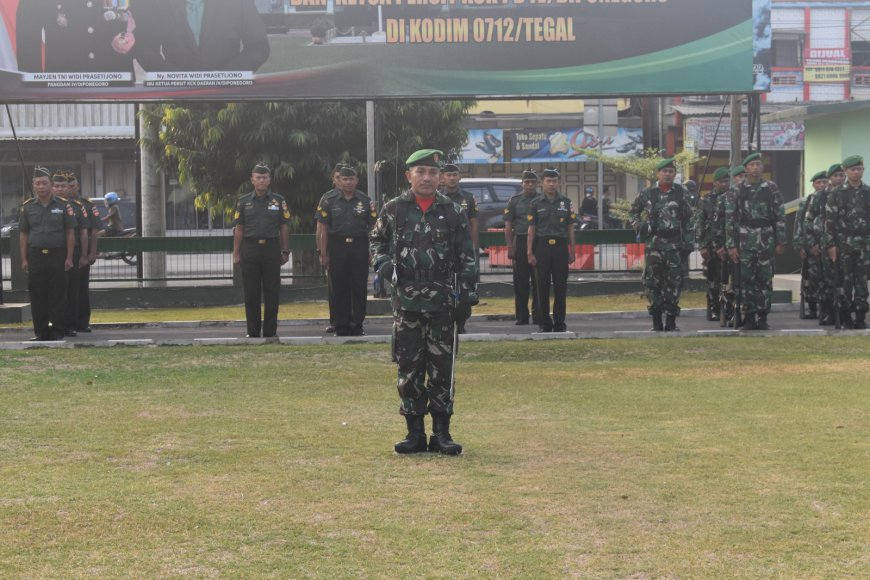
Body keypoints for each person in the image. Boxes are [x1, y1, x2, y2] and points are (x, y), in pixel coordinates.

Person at [370, 149, 478, 455]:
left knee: (443, 369)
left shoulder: (453, 211)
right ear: (409, 176)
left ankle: (441, 433)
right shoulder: (394, 209)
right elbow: (376, 239)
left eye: (433, 172)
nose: (427, 177)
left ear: (440, 176)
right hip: (406, 304)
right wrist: (382, 264)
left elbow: (466, 254)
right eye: (421, 172)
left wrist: (468, 296)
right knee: (409, 369)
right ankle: (414, 433)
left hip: (443, 303)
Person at [629, 157, 694, 331]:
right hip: (654, 245)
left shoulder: (681, 193)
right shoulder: (647, 194)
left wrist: (689, 242)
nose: (667, 174)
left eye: (671, 171)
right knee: (653, 283)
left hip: (674, 245)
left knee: (674, 284)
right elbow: (632, 212)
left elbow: (689, 219)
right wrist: (639, 225)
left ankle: (671, 322)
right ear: (658, 173)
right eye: (664, 171)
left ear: (674, 174)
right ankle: (656, 322)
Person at [725, 152, 786, 330]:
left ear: (762, 167)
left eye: (758, 164)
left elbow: (779, 216)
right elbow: (730, 219)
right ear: (745, 168)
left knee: (765, 281)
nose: (755, 168)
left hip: (766, 240)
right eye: (752, 165)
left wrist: (780, 241)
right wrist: (732, 245)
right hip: (744, 242)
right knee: (746, 281)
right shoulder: (737, 190)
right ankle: (749, 317)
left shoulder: (771, 188)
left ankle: (763, 317)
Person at [316, 166, 376, 336]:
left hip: (359, 245)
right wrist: (324, 252)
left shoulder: (365, 200)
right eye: (345, 179)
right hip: (337, 246)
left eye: (351, 179)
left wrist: (372, 252)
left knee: (359, 286)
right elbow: (324, 230)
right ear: (339, 181)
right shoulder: (330, 200)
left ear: (357, 181)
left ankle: (357, 324)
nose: (348, 182)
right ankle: (341, 325)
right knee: (339, 286)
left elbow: (373, 228)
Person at [232, 163, 291, 338]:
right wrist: (236, 252)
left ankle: (270, 331)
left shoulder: (279, 200)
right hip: (250, 248)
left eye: (265, 177)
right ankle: (253, 331)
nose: (261, 180)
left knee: (272, 290)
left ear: (269, 180)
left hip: (271, 248)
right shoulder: (243, 201)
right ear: (252, 180)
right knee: (251, 291)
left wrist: (285, 250)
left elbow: (283, 227)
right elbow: (239, 228)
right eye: (258, 177)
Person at [18, 166, 76, 341]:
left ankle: (58, 331)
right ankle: (41, 331)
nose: (41, 186)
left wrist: (69, 257)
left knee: (58, 293)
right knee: (38, 294)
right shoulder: (27, 207)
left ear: (51, 184)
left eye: (44, 183)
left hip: (57, 255)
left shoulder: (63, 205)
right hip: (36, 255)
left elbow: (70, 232)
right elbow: (23, 234)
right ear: (34, 186)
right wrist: (24, 258)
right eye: (38, 183)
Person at [134, 0, 269, 72]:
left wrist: (226, 76)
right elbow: (145, 48)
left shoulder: (237, 2)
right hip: (175, 102)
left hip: (228, 103)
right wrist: (172, 76)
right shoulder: (156, 3)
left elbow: (259, 47)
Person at [15, 1, 136, 73]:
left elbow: (146, 21)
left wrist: (152, 73)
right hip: (64, 84)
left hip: (117, 82)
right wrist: (33, 84)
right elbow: (28, 35)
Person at [526, 168, 576, 332]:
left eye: (554, 181)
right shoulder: (535, 203)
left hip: (561, 247)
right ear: (542, 183)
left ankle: (560, 322)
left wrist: (572, 250)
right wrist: (529, 252)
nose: (551, 184)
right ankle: (545, 323)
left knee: (561, 286)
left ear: (559, 182)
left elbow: (570, 228)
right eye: (548, 181)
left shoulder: (566, 202)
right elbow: (531, 229)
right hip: (542, 247)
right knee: (542, 287)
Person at [823, 155, 870, 329]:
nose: (857, 172)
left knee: (862, 282)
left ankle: (860, 316)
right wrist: (831, 245)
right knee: (844, 282)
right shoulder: (836, 193)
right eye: (853, 169)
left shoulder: (868, 192)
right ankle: (845, 316)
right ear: (846, 171)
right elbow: (829, 222)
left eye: (859, 169)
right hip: (843, 243)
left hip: (864, 243)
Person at [439, 163, 478, 333]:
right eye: (448, 175)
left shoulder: (468, 198)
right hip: (444, 250)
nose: (452, 178)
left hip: (463, 250)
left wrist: (474, 249)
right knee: (444, 286)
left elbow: (474, 225)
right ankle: (445, 321)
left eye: (455, 175)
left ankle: (461, 324)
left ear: (459, 177)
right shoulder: (437, 197)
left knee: (464, 288)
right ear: (443, 178)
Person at [52, 171, 89, 337]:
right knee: (53, 290)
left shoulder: (77, 207)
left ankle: (70, 324)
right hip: (51, 252)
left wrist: (83, 255)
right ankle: (54, 323)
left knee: (72, 290)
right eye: (57, 186)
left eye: (63, 186)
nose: (60, 189)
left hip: (71, 252)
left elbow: (83, 232)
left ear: (69, 188)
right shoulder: (45, 206)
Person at [693, 167, 730, 321]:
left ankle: (728, 309)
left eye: (727, 181)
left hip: (728, 245)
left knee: (728, 280)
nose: (725, 184)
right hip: (711, 247)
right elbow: (699, 223)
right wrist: (702, 246)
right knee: (713, 280)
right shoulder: (706, 200)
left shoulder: (732, 198)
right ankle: (714, 308)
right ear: (715, 183)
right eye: (721, 181)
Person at [809, 163, 845, 326]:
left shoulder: (847, 193)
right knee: (826, 279)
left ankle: (844, 312)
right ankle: (828, 312)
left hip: (845, 242)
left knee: (844, 279)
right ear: (830, 178)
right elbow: (809, 220)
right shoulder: (820, 196)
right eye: (835, 175)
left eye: (841, 175)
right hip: (824, 242)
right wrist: (812, 243)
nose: (839, 178)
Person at [503, 169, 540, 325]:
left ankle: (539, 315)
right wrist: (510, 247)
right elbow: (508, 225)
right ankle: (522, 316)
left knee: (539, 282)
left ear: (537, 184)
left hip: (539, 243)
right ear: (522, 183)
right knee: (520, 282)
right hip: (521, 241)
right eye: (527, 182)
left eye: (532, 182)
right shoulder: (514, 200)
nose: (529, 185)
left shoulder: (542, 199)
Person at [67, 172, 102, 333]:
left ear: (77, 186)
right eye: (65, 186)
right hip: (64, 252)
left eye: (71, 186)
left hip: (81, 251)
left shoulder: (86, 205)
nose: (68, 189)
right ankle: (68, 323)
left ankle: (82, 322)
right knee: (65, 289)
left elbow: (93, 232)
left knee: (81, 288)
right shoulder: (58, 204)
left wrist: (91, 253)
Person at [793, 170, 828, 320]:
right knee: (811, 279)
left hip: (827, 245)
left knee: (827, 279)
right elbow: (799, 225)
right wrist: (800, 246)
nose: (821, 185)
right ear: (813, 185)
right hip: (810, 247)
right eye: (818, 182)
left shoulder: (831, 199)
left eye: (824, 182)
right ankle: (812, 308)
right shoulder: (806, 202)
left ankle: (826, 309)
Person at [318, 162, 347, 333]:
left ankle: (351, 320)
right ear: (334, 179)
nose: (340, 181)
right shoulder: (327, 198)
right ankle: (335, 320)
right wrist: (322, 252)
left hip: (352, 248)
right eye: (338, 178)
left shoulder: (358, 197)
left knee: (352, 287)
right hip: (333, 249)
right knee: (335, 288)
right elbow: (320, 229)